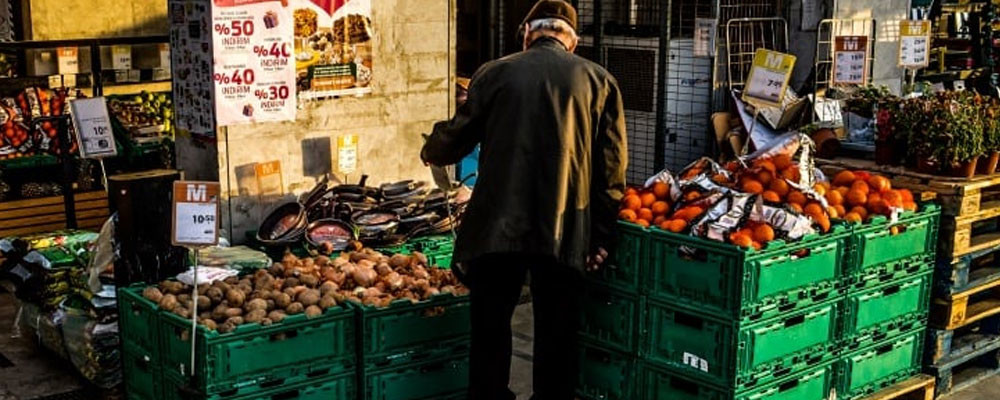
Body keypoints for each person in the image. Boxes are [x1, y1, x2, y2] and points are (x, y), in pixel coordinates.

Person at [420, 1, 627, 399]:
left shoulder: (495, 73)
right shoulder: (600, 82)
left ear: (528, 32)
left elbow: (457, 137)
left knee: (490, 327)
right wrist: (601, 237)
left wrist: (432, 147)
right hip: (563, 229)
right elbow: (612, 171)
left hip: (498, 226)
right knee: (557, 333)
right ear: (573, 41)